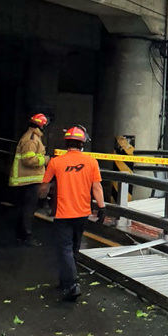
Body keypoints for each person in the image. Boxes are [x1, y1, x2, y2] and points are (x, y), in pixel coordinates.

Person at [39, 125, 105, 301]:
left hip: (63, 214)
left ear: (66, 143)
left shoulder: (56, 162)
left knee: (65, 249)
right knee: (74, 247)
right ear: (82, 144)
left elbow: (45, 185)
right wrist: (102, 208)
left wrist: (41, 199)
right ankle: (65, 280)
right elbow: (96, 187)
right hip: (82, 213)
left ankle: (71, 284)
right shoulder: (92, 162)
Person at [8, 113, 50, 246]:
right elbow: (28, 160)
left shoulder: (32, 137)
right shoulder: (31, 139)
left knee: (24, 209)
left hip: (27, 180)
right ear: (41, 125)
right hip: (28, 181)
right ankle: (27, 236)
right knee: (28, 210)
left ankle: (21, 235)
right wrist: (46, 159)